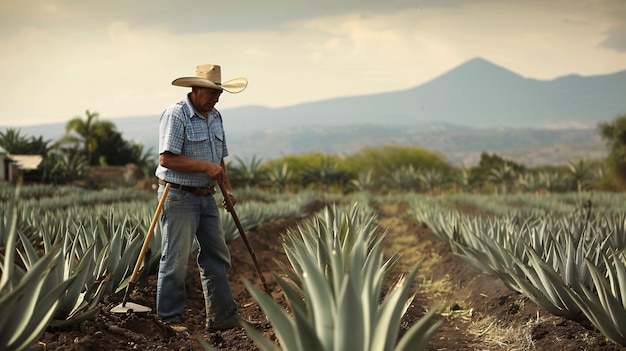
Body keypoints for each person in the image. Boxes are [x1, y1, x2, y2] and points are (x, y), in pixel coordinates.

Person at [155, 64, 247, 332]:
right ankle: (169, 318)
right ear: (195, 89)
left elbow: (219, 157)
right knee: (176, 258)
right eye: (211, 93)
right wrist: (205, 168)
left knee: (217, 256)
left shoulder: (215, 116)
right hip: (179, 196)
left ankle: (223, 318)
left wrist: (226, 188)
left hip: (207, 196)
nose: (216, 98)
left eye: (219, 93)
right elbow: (167, 159)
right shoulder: (177, 115)